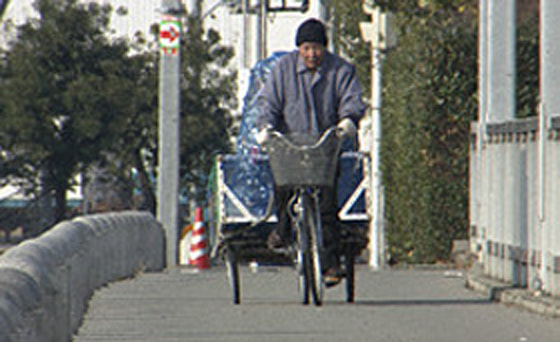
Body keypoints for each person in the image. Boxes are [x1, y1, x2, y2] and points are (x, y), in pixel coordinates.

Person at [255, 18, 367, 287]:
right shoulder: (282, 71)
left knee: (327, 205)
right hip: (290, 146)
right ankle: (282, 230)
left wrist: (348, 120)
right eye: (306, 48)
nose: (311, 54)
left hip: (326, 147)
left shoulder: (340, 70)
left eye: (316, 48)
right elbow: (268, 103)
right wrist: (265, 128)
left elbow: (352, 99)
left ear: (324, 48)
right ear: (299, 49)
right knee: (283, 188)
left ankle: (329, 264)